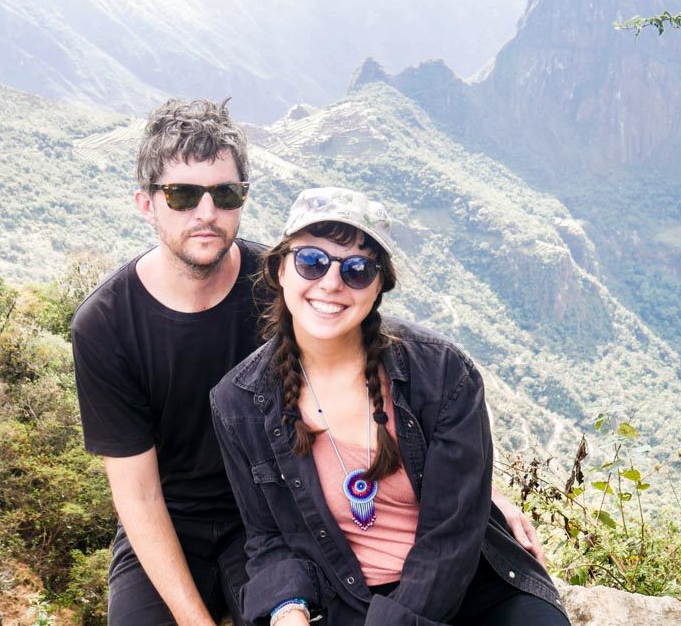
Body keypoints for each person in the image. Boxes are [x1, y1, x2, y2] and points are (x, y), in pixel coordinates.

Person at [210, 187, 570, 626]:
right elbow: (267, 536)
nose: (331, 283)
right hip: (341, 597)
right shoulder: (239, 402)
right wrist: (289, 610)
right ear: (280, 268)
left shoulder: (443, 374)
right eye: (311, 261)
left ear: (379, 286)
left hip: (466, 588)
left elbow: (451, 536)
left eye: (357, 270)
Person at [72, 98, 264, 626]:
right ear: (146, 203)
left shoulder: (284, 286)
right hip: (167, 518)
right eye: (182, 194)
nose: (207, 213)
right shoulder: (106, 325)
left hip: (271, 508)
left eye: (225, 194)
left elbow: (378, 367)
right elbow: (138, 495)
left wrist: (466, 482)